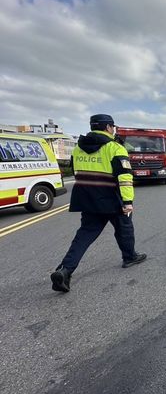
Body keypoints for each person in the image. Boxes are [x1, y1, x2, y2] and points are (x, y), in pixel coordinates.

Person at [51, 114, 146, 293]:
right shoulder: (115, 148)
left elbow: (75, 171)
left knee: (85, 234)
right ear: (108, 127)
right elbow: (124, 178)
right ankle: (129, 257)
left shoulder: (79, 148)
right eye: (113, 127)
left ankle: (65, 270)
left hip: (87, 198)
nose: (114, 129)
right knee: (124, 227)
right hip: (111, 197)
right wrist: (127, 202)